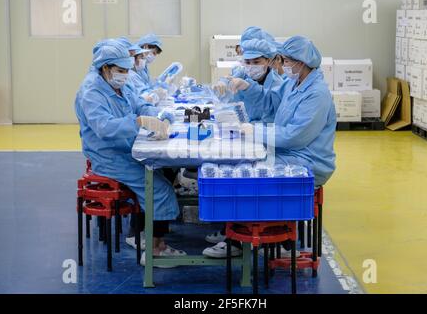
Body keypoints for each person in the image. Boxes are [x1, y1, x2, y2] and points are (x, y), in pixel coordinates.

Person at [204, 36, 337, 258]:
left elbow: (296, 136)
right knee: (241, 163)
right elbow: (269, 103)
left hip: (308, 161)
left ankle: (243, 240)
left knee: (246, 171)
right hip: (289, 152)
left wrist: (253, 131)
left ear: (301, 62)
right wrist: (247, 87)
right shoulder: (296, 85)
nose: (282, 65)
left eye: (285, 60)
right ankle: (238, 233)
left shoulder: (317, 94)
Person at [75, 43, 186, 265]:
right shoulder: (91, 92)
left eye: (127, 70)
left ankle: (148, 234)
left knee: (165, 168)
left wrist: (161, 115)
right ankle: (154, 248)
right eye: (121, 70)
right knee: (159, 188)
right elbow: (104, 128)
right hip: (109, 156)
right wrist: (138, 122)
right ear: (106, 68)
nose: (125, 75)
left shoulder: (118, 85)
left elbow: (139, 105)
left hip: (127, 147)